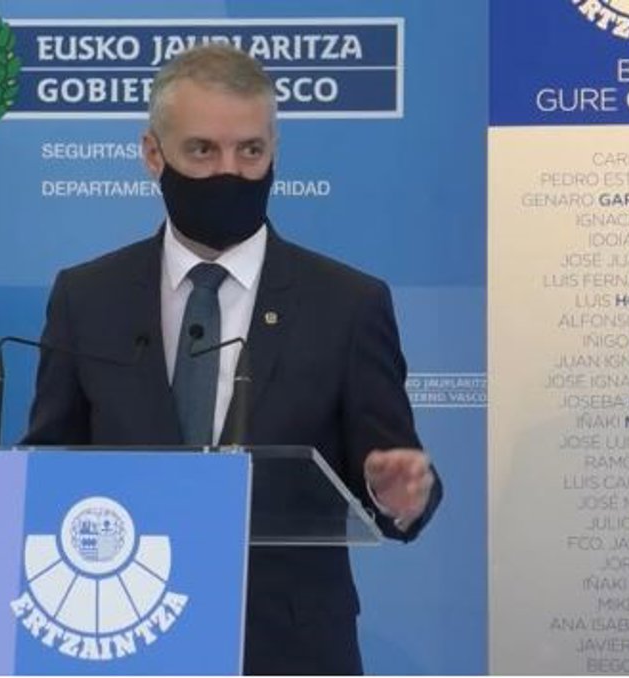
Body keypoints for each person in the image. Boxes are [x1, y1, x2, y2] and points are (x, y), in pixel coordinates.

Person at [22, 44, 442, 675]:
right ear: (153, 155)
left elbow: (394, 473)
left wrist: (400, 495)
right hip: (121, 638)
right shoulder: (87, 296)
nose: (230, 172)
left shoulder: (348, 304)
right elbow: (51, 463)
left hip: (289, 650)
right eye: (202, 151)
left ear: (274, 153)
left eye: (250, 151)